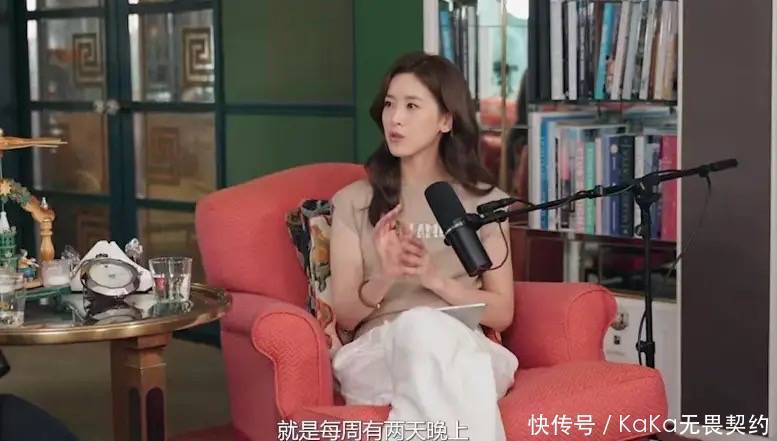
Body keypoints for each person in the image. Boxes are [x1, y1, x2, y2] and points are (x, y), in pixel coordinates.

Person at [330, 52, 519, 441]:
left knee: (429, 332)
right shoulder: (354, 201)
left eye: (412, 106)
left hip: (466, 349)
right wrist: (387, 275)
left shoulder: (485, 203)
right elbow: (345, 316)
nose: (395, 118)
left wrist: (435, 280)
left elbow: (502, 313)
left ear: (446, 120)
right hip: (379, 354)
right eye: (389, 104)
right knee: (419, 328)